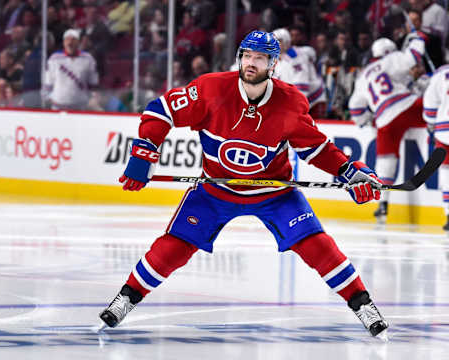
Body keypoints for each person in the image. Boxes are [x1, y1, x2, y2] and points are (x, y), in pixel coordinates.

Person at [99, 30, 389, 340]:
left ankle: (363, 305)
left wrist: (348, 171)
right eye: (247, 56)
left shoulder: (290, 102)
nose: (251, 63)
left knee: (316, 244)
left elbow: (316, 148)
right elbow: (160, 109)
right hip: (215, 190)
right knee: (176, 245)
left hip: (274, 192)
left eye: (259, 58)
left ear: (272, 64)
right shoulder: (210, 89)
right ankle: (126, 298)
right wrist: (145, 150)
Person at [349, 36, 426, 222]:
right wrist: (418, 38)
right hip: (406, 106)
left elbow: (355, 108)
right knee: (439, 113)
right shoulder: (391, 59)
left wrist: (368, 121)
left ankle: (383, 204)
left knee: (385, 161)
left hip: (384, 120)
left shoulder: (363, 76)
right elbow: (414, 55)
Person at [44, 28, 99, 110]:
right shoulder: (54, 59)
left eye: (73, 39)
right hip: (58, 106)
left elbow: (93, 83)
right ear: (63, 42)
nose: (70, 42)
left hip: (80, 106)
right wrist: (49, 98)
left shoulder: (88, 59)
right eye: (67, 39)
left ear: (78, 42)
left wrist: (92, 98)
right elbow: (48, 82)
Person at [422, 64, 449, 230]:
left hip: (444, 131)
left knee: (447, 177)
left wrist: (431, 123)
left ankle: (448, 214)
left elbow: (430, 104)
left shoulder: (441, 74)